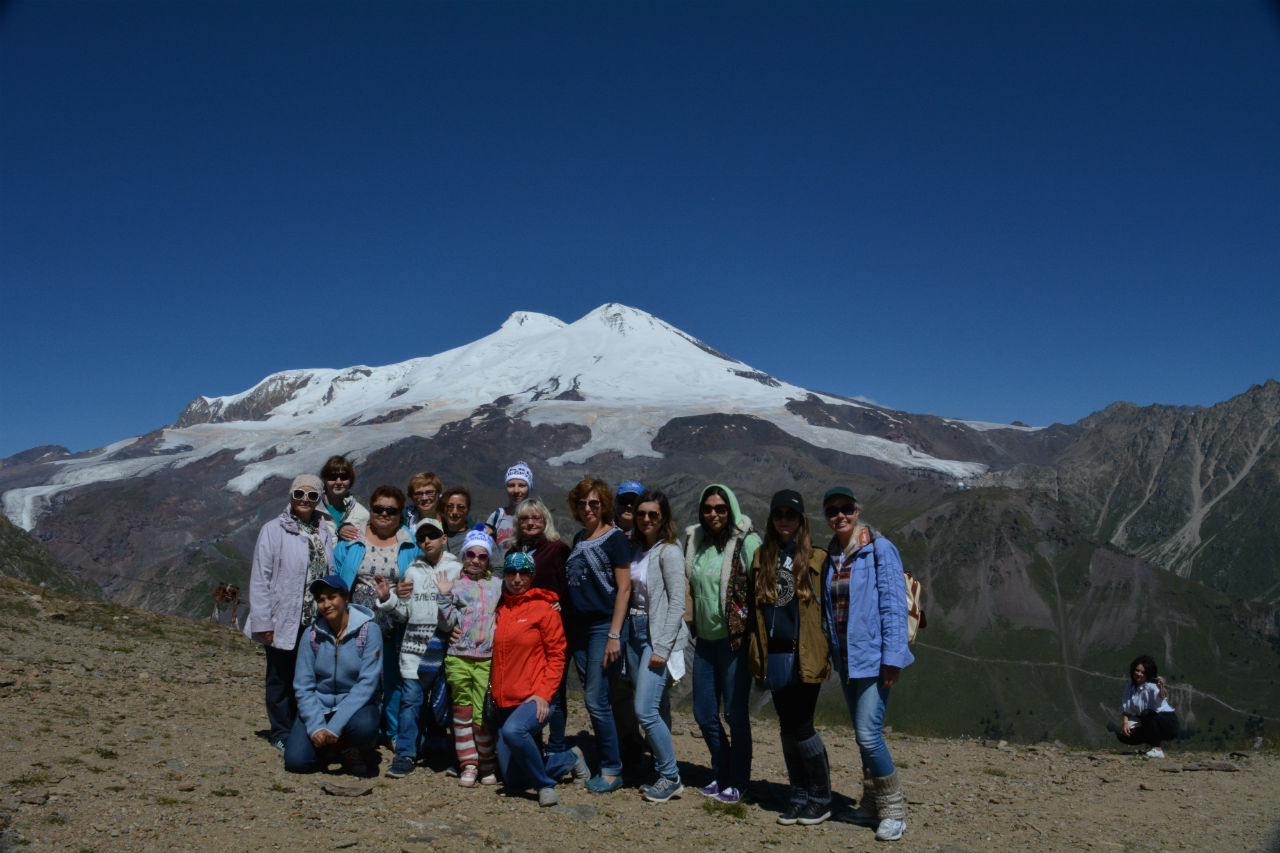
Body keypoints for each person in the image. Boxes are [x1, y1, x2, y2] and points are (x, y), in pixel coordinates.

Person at [820, 486, 913, 842]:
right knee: (863, 737)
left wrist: (893, 659)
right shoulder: (832, 554)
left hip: (875, 659)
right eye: (833, 511)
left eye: (846, 509)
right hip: (848, 659)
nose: (840, 516)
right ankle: (871, 805)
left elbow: (893, 606)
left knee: (868, 734)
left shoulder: (879, 549)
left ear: (857, 511)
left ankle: (894, 810)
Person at [748, 490, 832, 825]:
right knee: (787, 726)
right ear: (772, 519)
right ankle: (798, 795)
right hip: (775, 655)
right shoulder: (761, 557)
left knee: (803, 726)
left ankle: (821, 797)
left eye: (791, 515)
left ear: (801, 520)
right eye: (779, 514)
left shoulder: (816, 558)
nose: (785, 520)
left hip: (805, 655)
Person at [490, 550, 590, 806]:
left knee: (514, 731)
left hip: (535, 697)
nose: (517, 578)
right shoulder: (499, 608)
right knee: (513, 780)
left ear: (532, 576)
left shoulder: (544, 609)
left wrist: (544, 694)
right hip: (504, 700)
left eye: (524, 573)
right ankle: (570, 759)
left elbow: (557, 656)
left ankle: (545, 786)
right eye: (512, 572)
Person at [244, 475, 335, 750]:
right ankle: (281, 731)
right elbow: (261, 577)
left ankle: (300, 726)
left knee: (306, 676)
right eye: (299, 494)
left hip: (315, 619)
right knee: (280, 675)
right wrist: (263, 620)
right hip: (284, 616)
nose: (304, 500)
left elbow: (329, 574)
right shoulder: (273, 530)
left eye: (311, 495)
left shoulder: (324, 533)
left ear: (319, 500)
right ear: (290, 496)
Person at [684, 483, 760, 804]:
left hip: (735, 642)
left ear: (731, 510)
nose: (713, 514)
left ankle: (738, 779)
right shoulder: (695, 542)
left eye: (720, 508)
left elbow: (762, 586)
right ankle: (722, 768)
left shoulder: (748, 542)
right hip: (705, 641)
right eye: (708, 508)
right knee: (703, 712)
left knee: (735, 714)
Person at [334, 485, 420, 746]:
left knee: (392, 676)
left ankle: (391, 731)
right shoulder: (351, 540)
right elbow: (339, 576)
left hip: (392, 616)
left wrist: (408, 590)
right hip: (355, 617)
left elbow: (416, 579)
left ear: (400, 514)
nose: (384, 514)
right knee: (354, 674)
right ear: (370, 510)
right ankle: (354, 727)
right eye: (378, 508)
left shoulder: (409, 544)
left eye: (391, 510)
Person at [563, 478, 632, 793]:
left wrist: (615, 633)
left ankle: (612, 768)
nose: (588, 509)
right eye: (582, 504)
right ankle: (611, 759)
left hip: (602, 625)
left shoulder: (615, 538)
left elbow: (624, 588)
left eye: (594, 503)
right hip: (577, 628)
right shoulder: (579, 538)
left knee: (595, 697)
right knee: (596, 696)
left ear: (604, 505)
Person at [383, 516, 462, 779]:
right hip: (413, 651)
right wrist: (388, 599)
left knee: (450, 704)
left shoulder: (457, 570)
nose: (426, 541)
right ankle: (406, 754)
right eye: (421, 537)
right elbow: (404, 613)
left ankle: (456, 755)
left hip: (446, 651)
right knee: (411, 702)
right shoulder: (413, 571)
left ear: (444, 538)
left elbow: (465, 608)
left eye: (432, 536)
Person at [285, 575, 383, 776]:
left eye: (332, 597)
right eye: (321, 600)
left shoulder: (369, 631)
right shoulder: (311, 635)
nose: (326, 604)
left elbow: (367, 684)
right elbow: (303, 686)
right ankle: (332, 747)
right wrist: (316, 727)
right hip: (320, 705)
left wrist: (334, 727)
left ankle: (351, 747)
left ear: (346, 597)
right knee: (296, 762)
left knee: (364, 727)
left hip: (356, 707)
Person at [627, 490, 688, 803]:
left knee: (644, 710)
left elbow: (678, 601)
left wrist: (662, 647)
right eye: (642, 514)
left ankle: (670, 775)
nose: (647, 519)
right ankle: (661, 766)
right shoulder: (637, 549)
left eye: (653, 514)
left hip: (656, 634)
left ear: (664, 518)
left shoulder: (670, 551)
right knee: (658, 707)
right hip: (636, 632)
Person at [437, 527, 505, 786]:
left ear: (489, 560)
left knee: (481, 716)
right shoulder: (454, 586)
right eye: (471, 555)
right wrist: (444, 597)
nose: (476, 560)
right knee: (461, 713)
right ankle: (468, 764)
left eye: (482, 556)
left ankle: (487, 763)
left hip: (487, 658)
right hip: (458, 657)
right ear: (464, 555)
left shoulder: (497, 586)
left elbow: (521, 597)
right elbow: (446, 624)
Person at [511, 497, 572, 756]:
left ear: (545, 520)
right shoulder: (513, 552)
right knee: (526, 688)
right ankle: (532, 746)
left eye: (536, 517)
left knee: (554, 691)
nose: (531, 522)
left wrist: (563, 605)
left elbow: (570, 586)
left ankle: (557, 748)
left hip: (552, 630)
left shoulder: (557, 549)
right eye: (525, 518)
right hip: (522, 632)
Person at [1116, 655, 1178, 758]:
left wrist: (1161, 687)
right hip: (1147, 720)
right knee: (1124, 735)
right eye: (1137, 670)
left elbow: (1162, 695)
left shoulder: (1151, 686)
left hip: (1166, 721)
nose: (1138, 674)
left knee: (1147, 714)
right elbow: (1126, 709)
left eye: (1142, 672)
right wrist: (1125, 724)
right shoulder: (1130, 687)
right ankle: (1152, 744)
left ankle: (1157, 749)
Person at [485, 461, 533, 564]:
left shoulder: (536, 518)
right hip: (499, 576)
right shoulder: (497, 515)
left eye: (521, 485)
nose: (516, 490)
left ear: (529, 488)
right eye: (511, 485)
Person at [319, 455, 369, 543]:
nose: (338, 482)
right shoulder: (313, 510)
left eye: (343, 477)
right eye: (332, 477)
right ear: (325, 480)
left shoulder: (362, 515)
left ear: (350, 481)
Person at [440, 486, 475, 559]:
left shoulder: (478, 538)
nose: (455, 512)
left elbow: (498, 568)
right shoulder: (435, 539)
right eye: (450, 506)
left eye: (461, 507)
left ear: (468, 511)